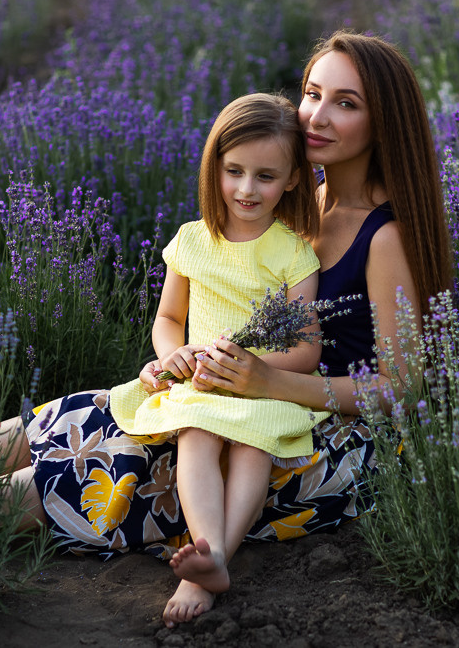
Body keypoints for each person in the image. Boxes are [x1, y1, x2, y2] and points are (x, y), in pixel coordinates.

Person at [0, 30, 453, 629]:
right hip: (229, 391)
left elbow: (402, 386)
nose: (316, 115)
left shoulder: (384, 234)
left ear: (384, 120)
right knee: (60, 423)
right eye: (313, 93)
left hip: (313, 437)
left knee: (63, 478)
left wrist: (267, 383)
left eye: (347, 102)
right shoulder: (297, 196)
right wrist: (181, 359)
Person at [107, 91, 331, 597]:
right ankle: (211, 551)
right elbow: (168, 318)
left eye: (265, 176)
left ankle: (211, 564)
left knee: (254, 446)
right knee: (197, 436)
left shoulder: (293, 254)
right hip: (202, 384)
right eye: (234, 172)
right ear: (215, 168)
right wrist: (173, 354)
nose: (247, 189)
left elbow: (307, 350)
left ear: (293, 180)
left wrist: (255, 370)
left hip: (261, 387)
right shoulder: (192, 240)